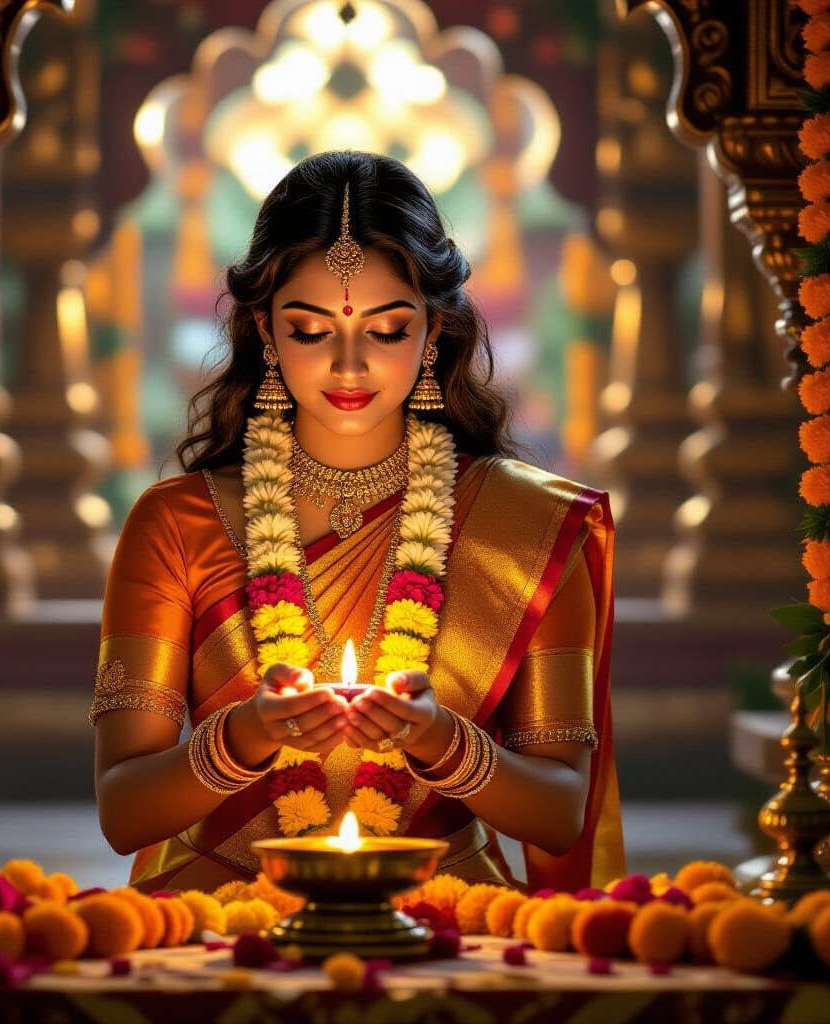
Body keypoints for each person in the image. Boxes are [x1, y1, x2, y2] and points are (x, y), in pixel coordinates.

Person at [91, 151, 624, 895]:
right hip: (221, 920)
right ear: (266, 330)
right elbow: (124, 812)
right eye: (311, 331)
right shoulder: (176, 524)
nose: (349, 366)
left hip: (449, 919)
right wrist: (245, 737)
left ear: (433, 331)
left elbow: (561, 812)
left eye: (387, 331)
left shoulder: (525, 526)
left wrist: (443, 742)